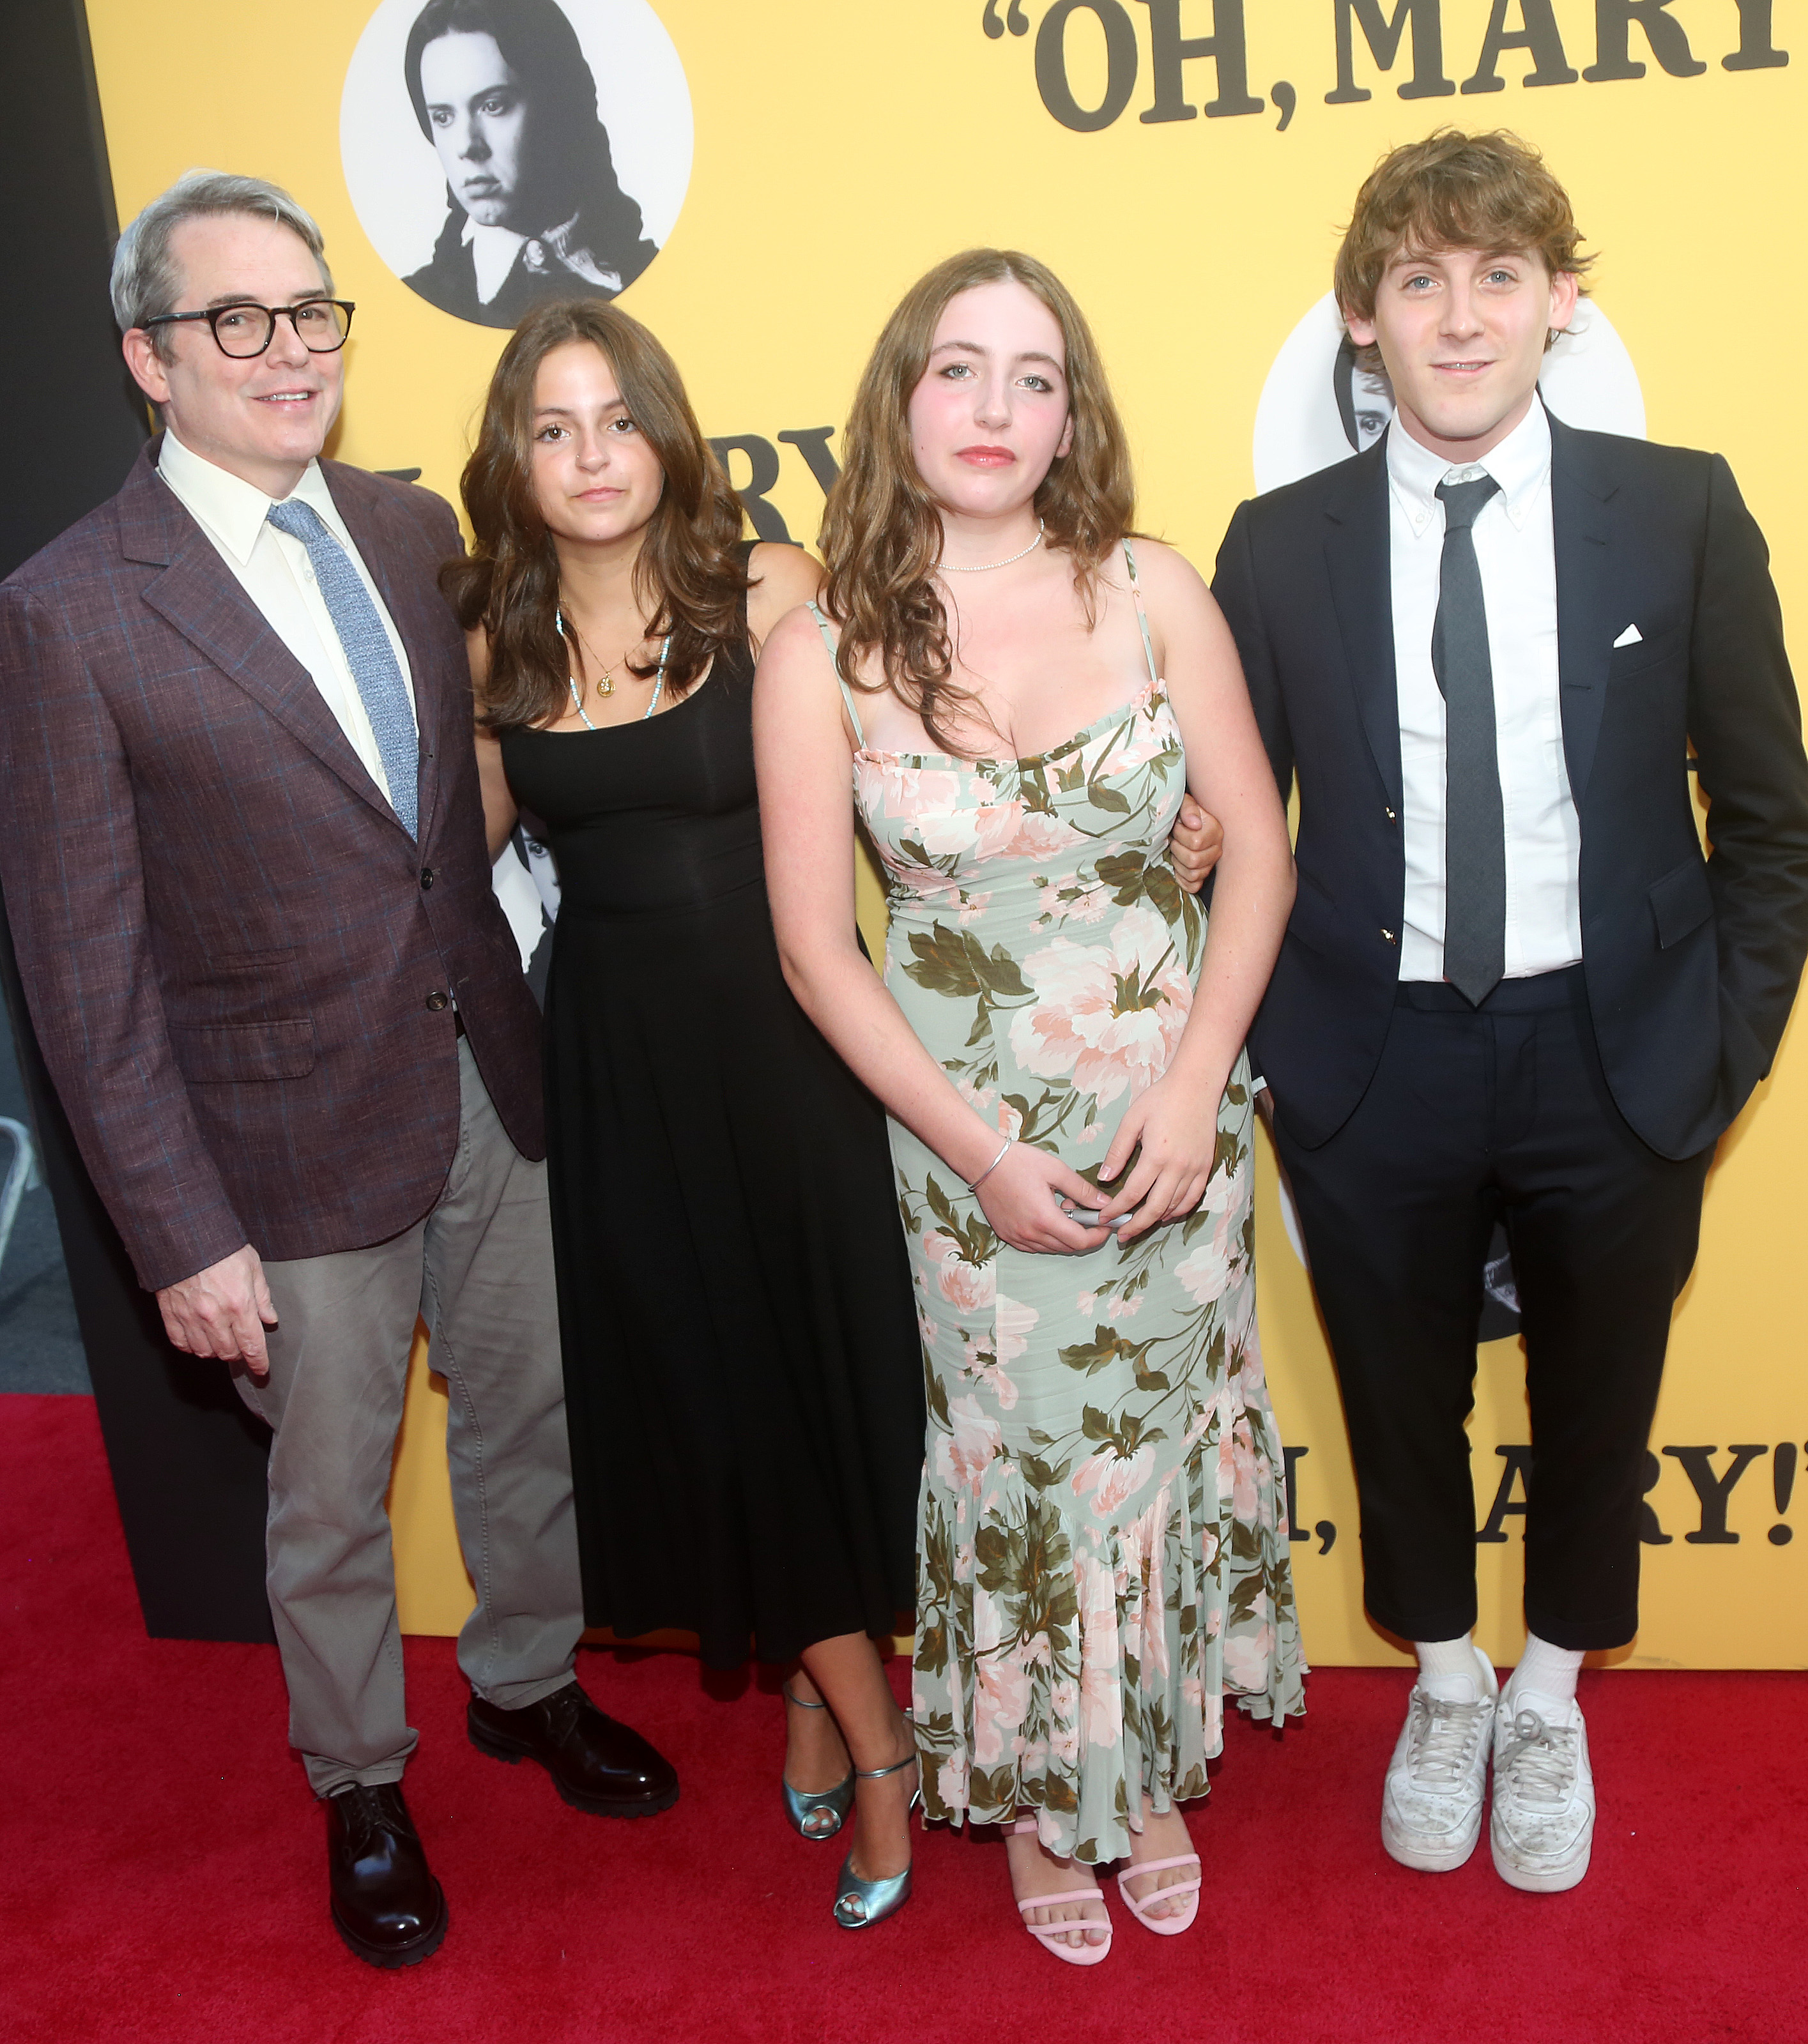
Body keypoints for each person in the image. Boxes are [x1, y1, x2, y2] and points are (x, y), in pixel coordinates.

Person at [448, 296, 1226, 1930]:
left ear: (669, 430)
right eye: (552, 428)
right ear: (512, 463)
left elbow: (920, 805)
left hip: (805, 1057)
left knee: (847, 1397)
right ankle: (868, 1742)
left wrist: (1175, 848)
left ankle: (843, 1715)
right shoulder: (497, 654)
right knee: (724, 1400)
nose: (593, 456)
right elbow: (453, 885)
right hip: (622, 1076)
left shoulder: (775, 593)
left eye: (618, 418)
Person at [0, 171, 676, 1971]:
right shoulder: (71, 612)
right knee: (331, 1496)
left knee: (529, 1422)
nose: (288, 351)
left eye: (310, 313)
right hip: (275, 1149)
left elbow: (459, 817)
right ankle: (359, 1782)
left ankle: (526, 1686)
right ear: (150, 359)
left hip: (487, 1075)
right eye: (239, 321)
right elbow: (83, 975)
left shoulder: (402, 529)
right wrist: (175, 1236)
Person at [1212, 129, 1808, 1893]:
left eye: (1493, 276)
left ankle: (1551, 1686)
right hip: (1363, 1052)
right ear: (1357, 320)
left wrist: (1717, 1053)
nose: (1456, 316)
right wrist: (1271, 1052)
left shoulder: (1679, 508)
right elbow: (1225, 833)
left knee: (1597, 1400)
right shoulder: (1271, 543)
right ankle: (1448, 1681)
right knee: (1392, 1401)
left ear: (1559, 300)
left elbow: (1769, 821)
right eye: (1416, 280)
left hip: (1613, 1050)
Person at [756, 248, 1305, 1962]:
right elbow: (811, 950)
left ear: (1073, 413)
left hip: (1170, 1120)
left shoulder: (1150, 586)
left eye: (1034, 376)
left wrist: (1196, 1083)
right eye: (958, 369)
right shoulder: (820, 649)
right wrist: (980, 1151)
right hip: (965, 1151)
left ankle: (1136, 1772)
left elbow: (1257, 854)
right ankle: (1024, 1803)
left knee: (1147, 1455)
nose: (994, 409)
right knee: (1014, 1475)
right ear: (898, 394)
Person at [402, 0, 657, 328]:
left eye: (493, 106)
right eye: (443, 117)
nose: (467, 146)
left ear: (557, 107)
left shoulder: (650, 274)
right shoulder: (419, 301)